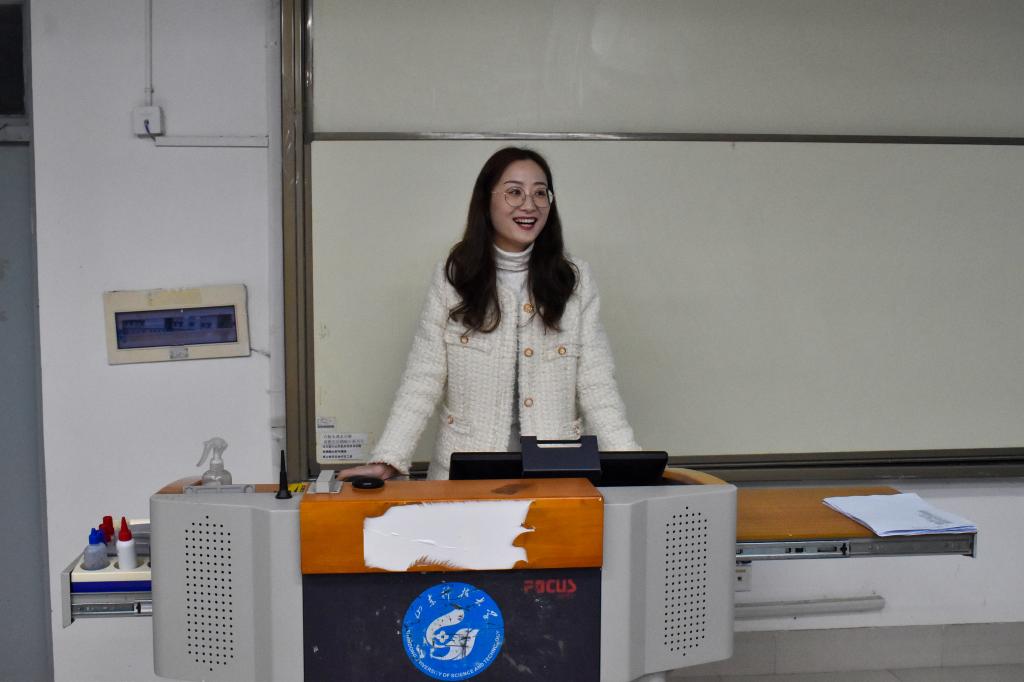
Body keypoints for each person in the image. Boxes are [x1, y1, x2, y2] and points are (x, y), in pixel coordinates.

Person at [343, 146, 639, 481]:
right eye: (514, 192)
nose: (529, 204)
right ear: (486, 200)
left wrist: (630, 464)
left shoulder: (574, 280)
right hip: (465, 475)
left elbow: (597, 384)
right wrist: (389, 458)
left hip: (555, 475)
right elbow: (423, 377)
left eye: (540, 193)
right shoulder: (454, 277)